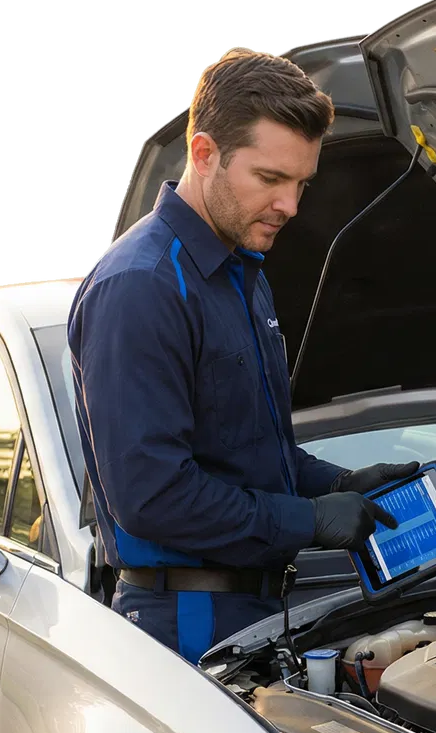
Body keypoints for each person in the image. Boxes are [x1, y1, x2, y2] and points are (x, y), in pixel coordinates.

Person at [68, 47, 417, 665]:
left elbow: (242, 450)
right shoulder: (142, 285)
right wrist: (308, 522)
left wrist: (337, 484)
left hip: (256, 613)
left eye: (301, 184)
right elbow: (152, 496)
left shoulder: (242, 272)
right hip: (187, 627)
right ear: (204, 154)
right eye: (271, 179)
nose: (291, 206)